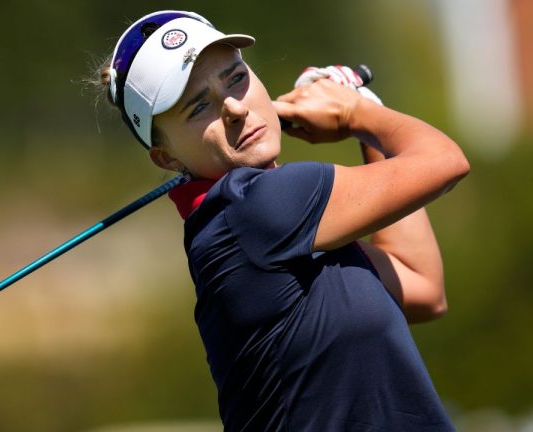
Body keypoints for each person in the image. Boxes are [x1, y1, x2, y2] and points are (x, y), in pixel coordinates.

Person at [94, 10, 469, 431]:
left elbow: (423, 288)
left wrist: (367, 121)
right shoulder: (255, 208)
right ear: (166, 158)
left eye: (236, 78)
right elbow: (446, 162)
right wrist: (354, 115)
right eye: (199, 106)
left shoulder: (260, 223)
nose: (234, 107)